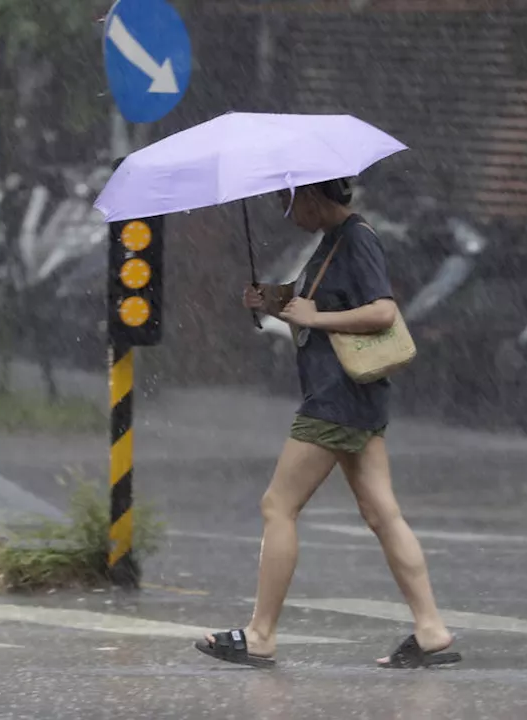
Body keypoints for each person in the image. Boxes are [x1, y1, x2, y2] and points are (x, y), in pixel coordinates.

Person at [194, 177, 460, 670]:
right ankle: (430, 629)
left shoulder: (357, 239)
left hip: (336, 400)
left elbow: (382, 311)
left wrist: (315, 320)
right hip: (354, 401)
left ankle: (261, 634)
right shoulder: (333, 243)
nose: (283, 210)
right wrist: (270, 299)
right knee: (382, 513)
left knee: (278, 505)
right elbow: (311, 302)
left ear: (312, 197)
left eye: (286, 199)